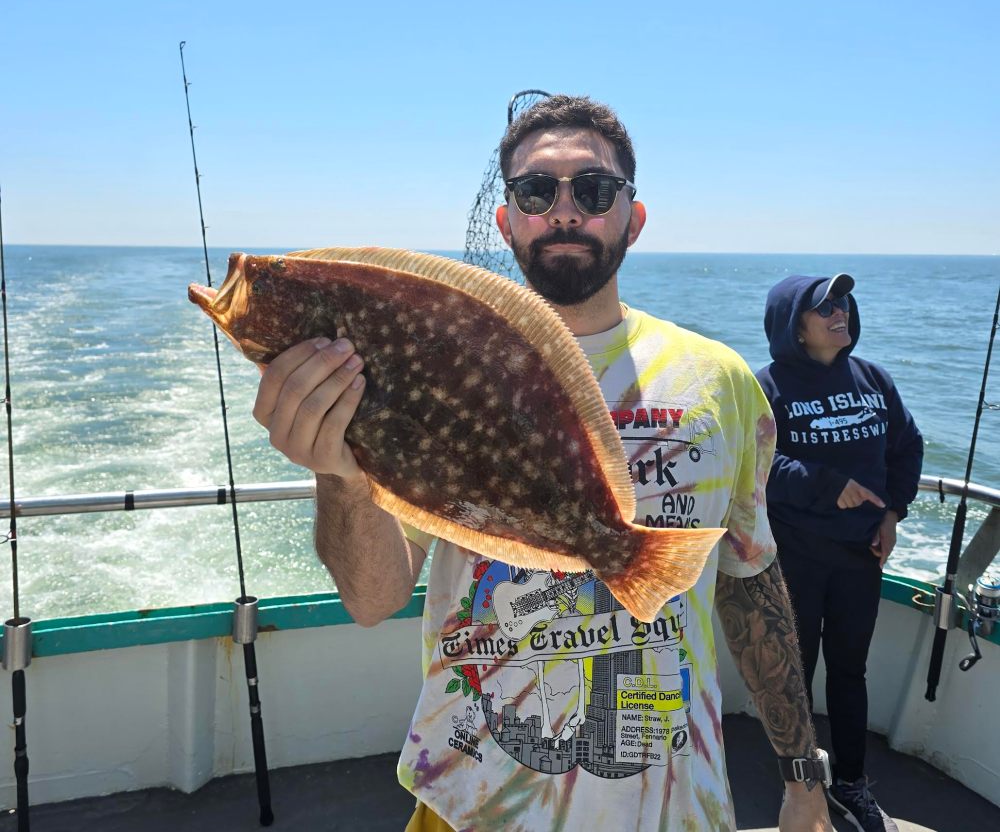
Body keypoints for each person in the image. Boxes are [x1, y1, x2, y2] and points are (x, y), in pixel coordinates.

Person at [253, 96, 833, 832]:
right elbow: (373, 598)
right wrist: (339, 476)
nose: (565, 211)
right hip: (472, 805)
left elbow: (750, 584)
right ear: (507, 220)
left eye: (594, 190)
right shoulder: (436, 371)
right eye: (536, 191)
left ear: (633, 216)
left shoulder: (718, 381)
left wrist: (802, 776)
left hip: (672, 806)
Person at [756, 274, 924, 832]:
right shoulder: (768, 387)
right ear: (794, 326)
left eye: (844, 303)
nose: (839, 312)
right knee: (794, 675)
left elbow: (907, 445)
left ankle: (851, 783)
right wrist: (825, 483)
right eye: (824, 306)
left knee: (851, 671)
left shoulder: (873, 378)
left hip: (860, 557)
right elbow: (755, 465)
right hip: (796, 556)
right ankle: (799, 786)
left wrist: (892, 513)